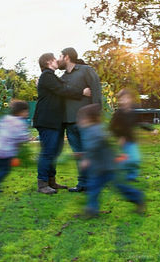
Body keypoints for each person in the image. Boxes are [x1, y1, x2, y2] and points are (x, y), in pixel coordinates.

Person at [33, 53, 91, 194]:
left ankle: (51, 181)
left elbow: (63, 86)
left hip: (55, 121)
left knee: (54, 152)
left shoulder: (52, 76)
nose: (56, 61)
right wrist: (81, 92)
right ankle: (42, 183)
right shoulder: (47, 75)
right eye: (54, 59)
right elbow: (63, 89)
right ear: (48, 62)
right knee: (47, 152)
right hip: (47, 120)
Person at [77, 104, 145, 217]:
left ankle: (138, 197)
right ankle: (92, 210)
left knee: (120, 187)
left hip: (109, 167)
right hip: (99, 168)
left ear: (89, 119)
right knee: (93, 188)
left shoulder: (95, 130)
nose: (79, 121)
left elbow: (96, 144)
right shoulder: (90, 130)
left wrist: (86, 158)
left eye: (81, 118)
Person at [57, 47, 102, 192]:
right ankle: (82, 184)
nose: (58, 59)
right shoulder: (62, 78)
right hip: (69, 122)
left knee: (90, 153)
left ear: (67, 57)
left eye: (60, 56)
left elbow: (96, 90)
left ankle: (94, 183)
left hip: (87, 122)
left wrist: (96, 114)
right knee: (79, 155)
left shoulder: (85, 70)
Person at [110, 88, 158, 181]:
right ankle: (114, 168)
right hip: (124, 141)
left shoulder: (134, 110)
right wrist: (120, 137)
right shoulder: (118, 113)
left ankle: (131, 177)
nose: (124, 101)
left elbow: (140, 122)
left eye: (126, 98)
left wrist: (151, 129)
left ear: (130, 99)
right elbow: (112, 127)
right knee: (131, 159)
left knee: (134, 159)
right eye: (121, 99)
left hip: (132, 139)